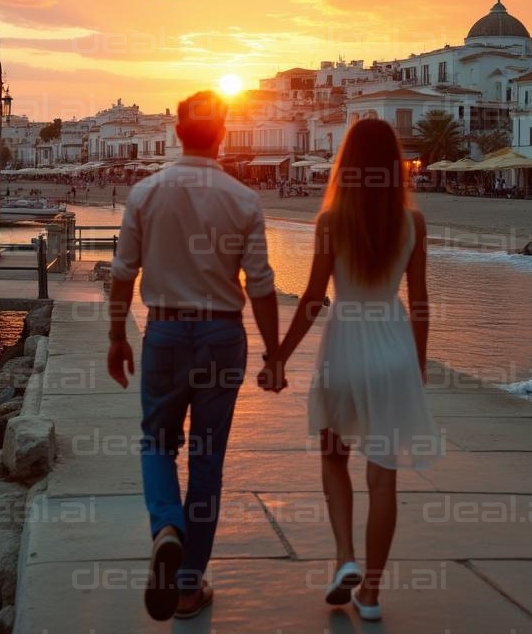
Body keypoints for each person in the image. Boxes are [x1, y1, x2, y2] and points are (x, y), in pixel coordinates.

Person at [106, 90, 281, 621]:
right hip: (222, 336)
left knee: (157, 442)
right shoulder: (243, 199)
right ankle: (187, 586)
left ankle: (166, 526)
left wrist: (117, 336)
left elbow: (122, 273)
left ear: (178, 132)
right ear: (222, 133)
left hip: (164, 331)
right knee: (207, 460)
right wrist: (274, 353)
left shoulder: (145, 192)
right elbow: (261, 285)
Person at [274, 118, 441, 622]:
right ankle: (370, 593)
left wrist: (279, 356)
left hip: (344, 346)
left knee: (333, 454)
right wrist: (418, 362)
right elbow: (420, 301)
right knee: (383, 475)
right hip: (393, 348)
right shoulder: (413, 223)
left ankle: (345, 555)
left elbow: (312, 299)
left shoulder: (331, 221)